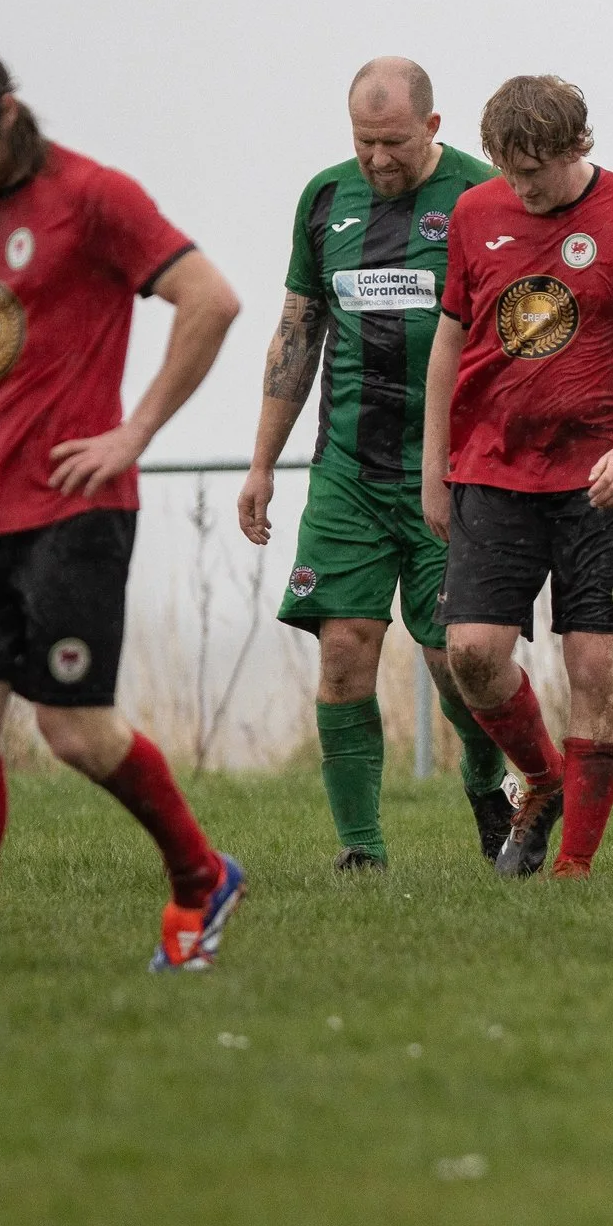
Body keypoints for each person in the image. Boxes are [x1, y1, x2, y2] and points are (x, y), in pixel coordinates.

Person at [0, 41, 247, 976]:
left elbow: (210, 300)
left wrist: (132, 433)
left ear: (9, 113)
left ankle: (201, 877)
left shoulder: (95, 196)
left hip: (73, 508)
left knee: (72, 730)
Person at [237, 58, 514, 871]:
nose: (377, 159)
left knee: (456, 661)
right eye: (364, 141)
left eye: (393, 142)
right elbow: (296, 330)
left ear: (432, 127)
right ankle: (362, 851)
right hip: (347, 474)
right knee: (345, 650)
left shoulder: (482, 197)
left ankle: (484, 773)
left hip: (451, 475)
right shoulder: (326, 200)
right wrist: (262, 462)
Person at [421, 75, 613, 878]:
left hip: (600, 478)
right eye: (509, 170)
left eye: (535, 169)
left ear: (578, 147)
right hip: (493, 470)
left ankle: (571, 869)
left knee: (598, 669)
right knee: (469, 651)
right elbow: (447, 344)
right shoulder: (475, 214)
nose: (522, 187)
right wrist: (436, 467)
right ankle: (541, 779)